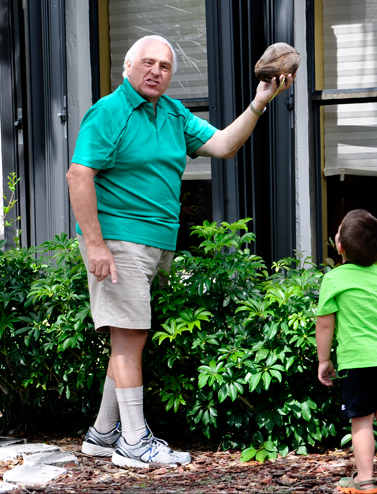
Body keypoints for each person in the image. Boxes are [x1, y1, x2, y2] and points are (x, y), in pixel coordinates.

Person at [66, 34, 295, 469]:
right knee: (129, 337)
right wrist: (95, 244)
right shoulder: (109, 112)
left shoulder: (172, 114)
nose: (156, 71)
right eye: (148, 62)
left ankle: (102, 435)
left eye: (165, 66)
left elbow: (224, 145)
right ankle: (134, 442)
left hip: (154, 241)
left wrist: (261, 100)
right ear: (127, 66)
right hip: (118, 239)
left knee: (128, 336)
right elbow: (79, 175)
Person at [316, 209, 377, 494]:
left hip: (357, 361)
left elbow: (324, 324)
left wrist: (324, 360)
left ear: (340, 246)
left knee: (361, 422)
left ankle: (365, 480)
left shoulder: (334, 279)